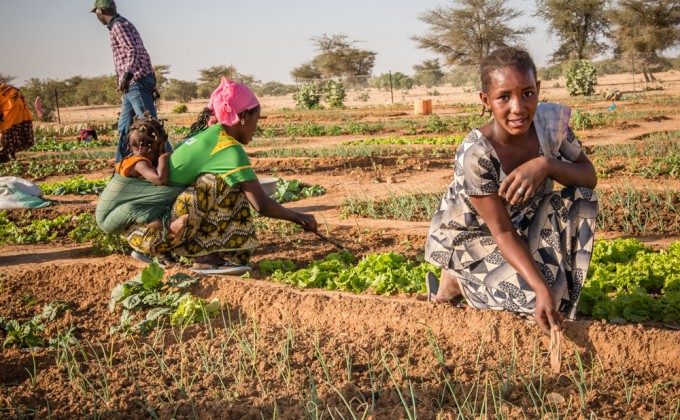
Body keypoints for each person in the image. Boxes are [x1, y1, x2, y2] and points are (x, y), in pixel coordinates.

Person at [424, 47, 598, 335]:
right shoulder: (476, 154)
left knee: (582, 199)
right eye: (504, 97)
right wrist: (541, 287)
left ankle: (550, 293)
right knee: (533, 301)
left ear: (538, 90)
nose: (518, 107)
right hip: (475, 236)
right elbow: (502, 231)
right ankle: (456, 278)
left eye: (527, 93)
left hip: (526, 221)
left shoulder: (550, 125)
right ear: (486, 100)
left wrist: (545, 165)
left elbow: (588, 177)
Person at [110, 78, 317, 273]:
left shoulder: (209, 133)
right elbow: (260, 204)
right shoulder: (227, 148)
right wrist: (300, 217)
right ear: (243, 117)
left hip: (143, 231)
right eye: (256, 119)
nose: (257, 127)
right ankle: (206, 259)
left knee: (228, 182)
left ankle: (197, 253)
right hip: (153, 234)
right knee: (221, 183)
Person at [91, 0, 161, 164]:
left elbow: (133, 50)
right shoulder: (123, 24)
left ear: (101, 11)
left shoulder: (118, 26)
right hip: (135, 83)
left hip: (136, 80)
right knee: (124, 128)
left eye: (96, 13)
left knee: (150, 126)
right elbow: (142, 52)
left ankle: (169, 163)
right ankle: (120, 167)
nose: (96, 17)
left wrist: (127, 75)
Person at [114, 116, 188, 237]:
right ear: (141, 148)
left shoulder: (132, 159)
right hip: (128, 207)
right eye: (157, 148)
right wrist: (163, 157)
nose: (160, 151)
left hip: (127, 202)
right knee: (140, 211)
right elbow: (160, 180)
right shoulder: (139, 163)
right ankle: (170, 229)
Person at [0, 84, 34, 163]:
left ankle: (4, 156)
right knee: (13, 134)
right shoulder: (6, 87)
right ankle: (11, 155)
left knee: (8, 134)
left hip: (11, 111)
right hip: (21, 111)